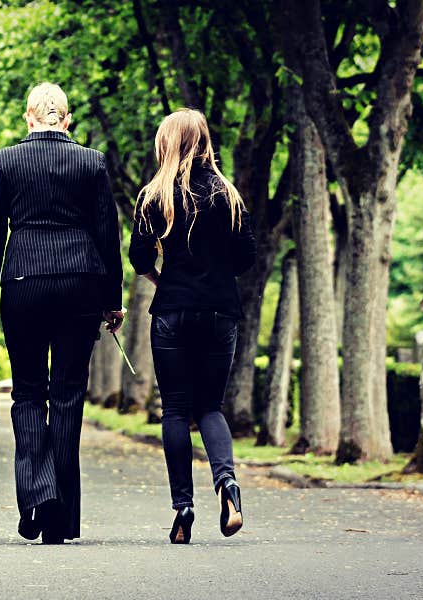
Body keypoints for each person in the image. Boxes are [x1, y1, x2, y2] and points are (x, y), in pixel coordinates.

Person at [0, 83, 124, 545]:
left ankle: (39, 493)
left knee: (27, 393)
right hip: (81, 282)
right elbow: (107, 232)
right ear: (67, 119)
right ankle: (61, 515)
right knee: (68, 395)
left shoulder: (7, 160)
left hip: (23, 282)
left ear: (29, 118)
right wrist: (112, 299)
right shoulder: (91, 162)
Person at [128, 109, 255, 544]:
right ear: (204, 141)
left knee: (176, 410)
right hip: (221, 311)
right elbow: (245, 258)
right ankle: (228, 485)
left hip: (173, 312)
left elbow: (140, 259)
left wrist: (164, 279)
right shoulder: (229, 194)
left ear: (168, 143)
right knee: (211, 407)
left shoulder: (153, 195)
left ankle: (183, 507)